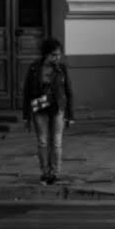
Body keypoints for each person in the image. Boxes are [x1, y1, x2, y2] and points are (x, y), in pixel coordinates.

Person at [22, 38, 74, 185]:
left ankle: (55, 173)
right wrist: (26, 116)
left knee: (56, 142)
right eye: (54, 55)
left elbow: (69, 91)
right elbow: (27, 92)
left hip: (58, 108)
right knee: (43, 142)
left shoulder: (62, 68)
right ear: (46, 54)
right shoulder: (34, 68)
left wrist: (70, 115)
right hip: (39, 109)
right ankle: (45, 172)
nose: (57, 58)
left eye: (59, 55)